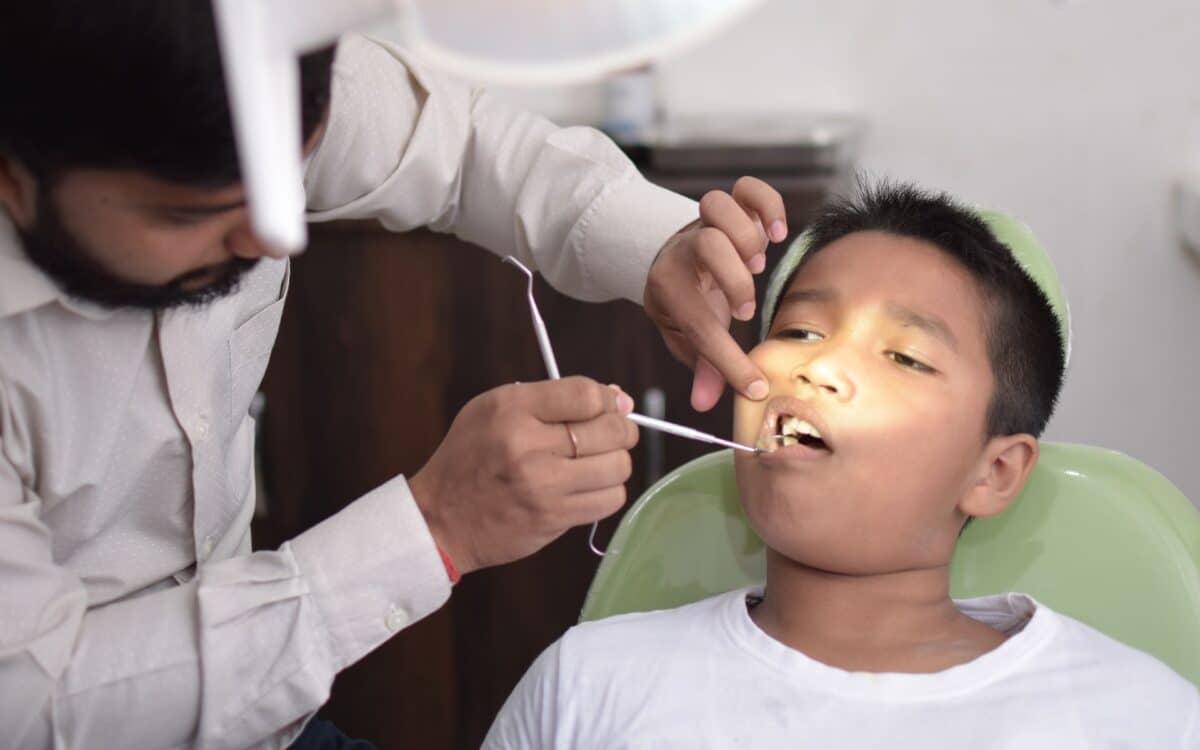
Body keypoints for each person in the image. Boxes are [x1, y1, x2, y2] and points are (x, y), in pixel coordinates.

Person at [0, 4, 789, 749]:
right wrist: (435, 528)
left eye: (289, 178)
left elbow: (463, 147)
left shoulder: (254, 59)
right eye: (187, 216)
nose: (271, 241)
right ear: (15, 173)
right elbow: (36, 710)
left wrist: (655, 246)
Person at [483, 181, 1200, 748]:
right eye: (798, 330)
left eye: (904, 357)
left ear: (996, 473)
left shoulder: (1141, 718)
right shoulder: (587, 685)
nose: (818, 365)